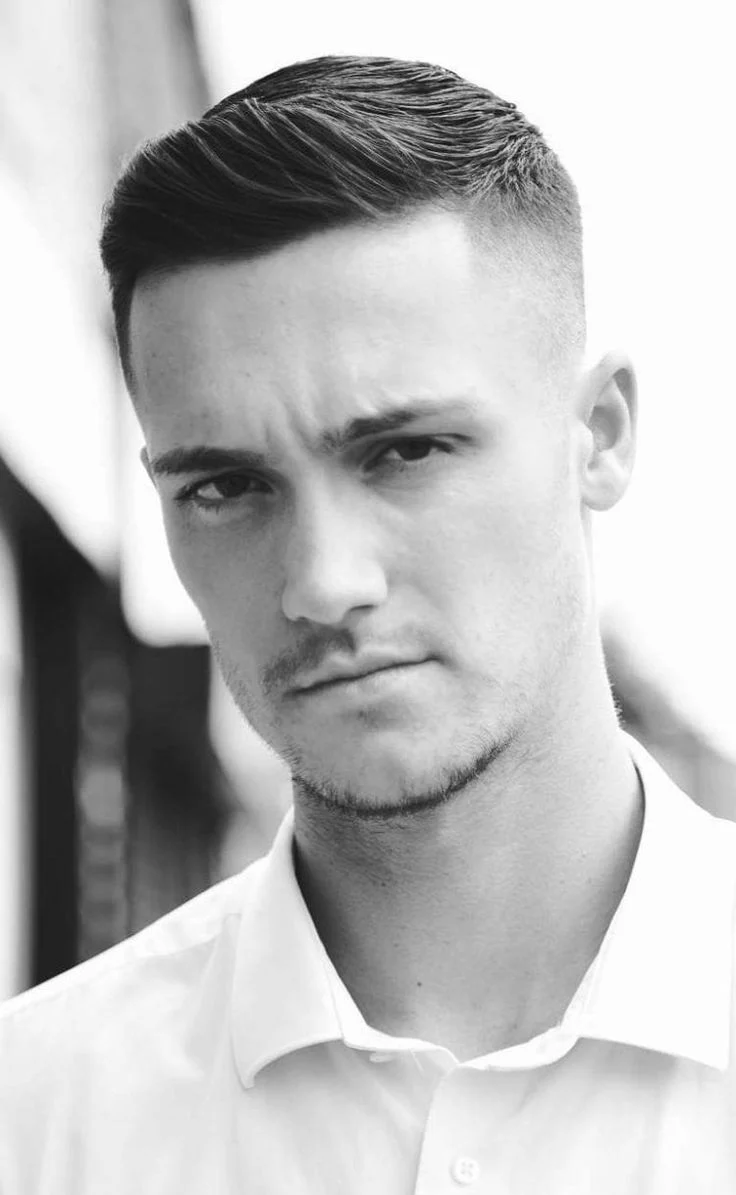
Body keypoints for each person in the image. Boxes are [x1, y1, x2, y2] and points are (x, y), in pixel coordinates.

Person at [1, 54, 735, 1194]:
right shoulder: (37, 1116)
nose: (322, 582)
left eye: (405, 451)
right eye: (226, 486)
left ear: (597, 434)